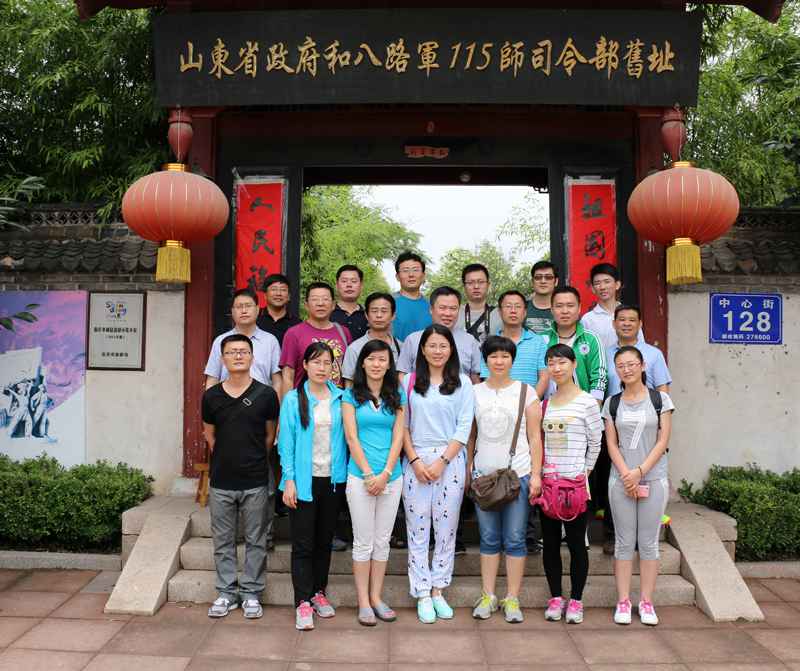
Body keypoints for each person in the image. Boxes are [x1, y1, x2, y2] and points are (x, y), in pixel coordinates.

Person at [202, 333, 279, 620]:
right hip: (222, 480)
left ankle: (251, 593)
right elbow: (210, 436)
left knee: (256, 540)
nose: (238, 356)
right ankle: (226, 592)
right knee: (223, 541)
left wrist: (252, 457)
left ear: (252, 357)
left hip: (256, 479)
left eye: (243, 351)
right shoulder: (211, 396)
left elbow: (269, 435)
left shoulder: (266, 394)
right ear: (222, 359)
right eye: (232, 352)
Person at [402, 324, 475, 623]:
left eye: (443, 346)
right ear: (422, 349)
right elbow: (402, 425)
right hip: (416, 460)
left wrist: (442, 461)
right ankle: (421, 591)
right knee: (417, 528)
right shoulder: (408, 381)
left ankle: (438, 590)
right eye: (431, 345)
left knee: (446, 530)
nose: (437, 351)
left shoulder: (463, 383)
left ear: (451, 350)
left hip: (450, 461)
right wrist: (415, 460)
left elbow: (464, 425)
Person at [468, 336, 542, 623]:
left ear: (513, 359)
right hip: (484, 477)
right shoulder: (474, 392)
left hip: (517, 475)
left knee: (514, 538)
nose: (499, 361)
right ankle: (488, 595)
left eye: (505, 356)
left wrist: (536, 474)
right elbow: (470, 435)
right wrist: (468, 469)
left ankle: (512, 598)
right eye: (493, 356)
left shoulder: (526, 392)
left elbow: (535, 437)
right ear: (485, 360)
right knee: (488, 538)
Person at [278, 342, 348, 630]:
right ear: (305, 365)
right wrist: (289, 480)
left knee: (324, 542)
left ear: (334, 367)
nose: (322, 368)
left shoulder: (342, 398)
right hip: (303, 482)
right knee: (303, 544)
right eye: (316, 362)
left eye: (327, 363)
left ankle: (319, 592)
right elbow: (286, 443)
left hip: (333, 481)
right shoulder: (293, 399)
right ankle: (302, 601)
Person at [603, 346, 674, 626]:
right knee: (623, 542)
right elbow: (611, 444)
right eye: (621, 365)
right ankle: (623, 601)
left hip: (654, 479)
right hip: (620, 480)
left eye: (632, 364)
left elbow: (663, 440)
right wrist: (627, 475)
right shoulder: (611, 403)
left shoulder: (660, 400)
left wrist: (640, 472)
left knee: (648, 543)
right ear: (616, 370)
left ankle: (646, 601)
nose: (627, 369)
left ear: (643, 366)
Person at [342, 339, 406, 626]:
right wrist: (369, 474)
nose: (377, 364)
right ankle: (363, 602)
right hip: (360, 477)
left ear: (389, 364)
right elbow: (351, 437)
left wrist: (386, 472)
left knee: (382, 542)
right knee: (363, 542)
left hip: (392, 477)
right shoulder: (350, 396)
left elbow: (399, 436)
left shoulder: (397, 395)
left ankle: (377, 597)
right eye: (371, 359)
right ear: (363, 363)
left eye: (382, 359)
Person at [540, 344, 602, 625]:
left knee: (577, 545)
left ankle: (576, 600)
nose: (557, 368)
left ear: (574, 364)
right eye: (551, 363)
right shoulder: (546, 403)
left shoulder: (587, 402)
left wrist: (583, 473)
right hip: (549, 486)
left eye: (562, 362)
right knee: (550, 545)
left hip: (575, 487)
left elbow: (596, 442)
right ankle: (556, 598)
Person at [397, 286, 482, 384]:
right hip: (421, 392)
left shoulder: (470, 341)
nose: (448, 313)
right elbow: (402, 374)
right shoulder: (412, 340)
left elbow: (475, 378)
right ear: (431, 309)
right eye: (442, 308)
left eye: (453, 308)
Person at [205, 288, 282, 393]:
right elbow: (212, 379)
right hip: (227, 400)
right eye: (239, 307)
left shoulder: (270, 341)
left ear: (257, 309)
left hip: (262, 399)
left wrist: (275, 403)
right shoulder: (220, 341)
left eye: (248, 306)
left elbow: (277, 380)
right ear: (232, 311)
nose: (244, 311)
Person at [280, 282, 351, 390]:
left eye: (325, 299)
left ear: (333, 305)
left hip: (338, 398)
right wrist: (288, 401)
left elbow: (349, 374)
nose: (320, 303)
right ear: (306, 305)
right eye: (315, 299)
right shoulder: (294, 333)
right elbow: (288, 376)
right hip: (305, 398)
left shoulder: (344, 332)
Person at [480, 290, 549, 399]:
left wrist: (530, 403)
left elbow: (544, 377)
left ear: (525, 312)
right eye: (508, 306)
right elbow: (487, 378)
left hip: (529, 404)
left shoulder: (538, 342)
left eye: (518, 306)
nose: (513, 311)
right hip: (498, 404)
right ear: (499, 311)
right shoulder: (489, 344)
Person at [545, 286, 607, 403]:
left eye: (570, 305)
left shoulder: (591, 339)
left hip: (584, 406)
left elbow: (599, 377)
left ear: (579, 308)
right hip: (550, 408)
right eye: (559, 306)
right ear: (551, 309)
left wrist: (593, 407)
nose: (565, 311)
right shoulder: (542, 339)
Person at [606, 305, 671, 397]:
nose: (627, 324)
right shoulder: (605, 355)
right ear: (614, 324)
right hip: (613, 406)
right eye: (622, 320)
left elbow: (663, 391)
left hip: (647, 406)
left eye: (632, 320)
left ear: (640, 324)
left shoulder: (654, 354)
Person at [580, 263, 643, 351]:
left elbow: (641, 346)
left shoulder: (630, 314)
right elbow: (584, 350)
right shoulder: (588, 319)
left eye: (607, 282)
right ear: (593, 288)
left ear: (617, 285)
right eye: (597, 283)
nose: (602, 287)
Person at [342, 292, 401, 384]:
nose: (379, 315)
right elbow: (349, 384)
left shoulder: (401, 348)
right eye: (374, 311)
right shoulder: (354, 349)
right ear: (366, 315)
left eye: (384, 311)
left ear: (393, 316)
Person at [393, 251, 432, 342]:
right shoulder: (388, 303)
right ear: (397, 276)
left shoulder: (432, 305)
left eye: (415, 270)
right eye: (405, 270)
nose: (411, 275)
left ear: (423, 275)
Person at [456, 263, 500, 344]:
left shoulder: (500, 314)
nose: (476, 286)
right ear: (464, 286)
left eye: (481, 282)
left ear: (488, 285)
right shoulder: (453, 313)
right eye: (470, 282)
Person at [257, 273, 302, 346]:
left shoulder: (297, 324)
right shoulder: (255, 319)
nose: (278, 293)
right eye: (274, 289)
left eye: (283, 290)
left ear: (289, 296)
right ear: (265, 295)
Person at [331, 264, 369, 341]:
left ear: (361, 286)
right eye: (344, 281)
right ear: (337, 286)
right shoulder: (327, 314)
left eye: (354, 281)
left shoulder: (369, 316)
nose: (349, 285)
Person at [525, 261, 558, 336]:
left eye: (548, 277)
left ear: (556, 281)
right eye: (538, 277)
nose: (543, 281)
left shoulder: (564, 309)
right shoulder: (521, 308)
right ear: (532, 282)